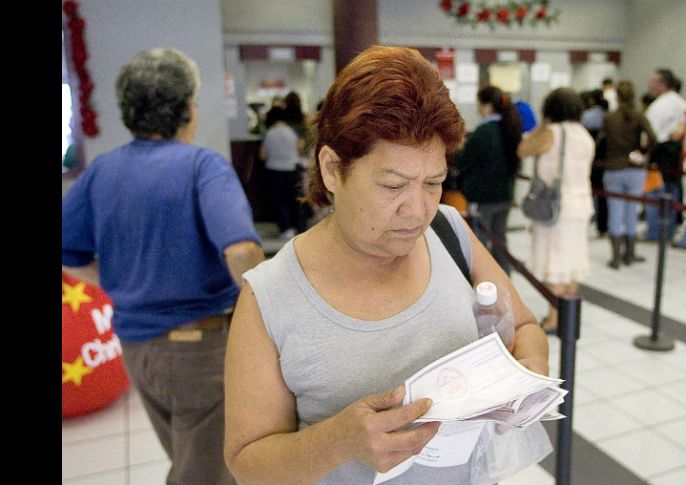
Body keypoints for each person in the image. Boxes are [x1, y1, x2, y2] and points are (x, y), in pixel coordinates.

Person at [224, 45, 551, 484]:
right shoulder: (270, 296)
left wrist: (527, 369)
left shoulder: (449, 231)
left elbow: (526, 327)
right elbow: (247, 463)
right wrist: (336, 441)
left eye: (433, 183)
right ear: (332, 170)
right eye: (392, 185)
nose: (417, 210)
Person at [61, 48, 265, 485]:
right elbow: (242, 250)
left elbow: (68, 252)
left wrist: (116, 284)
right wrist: (268, 308)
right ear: (188, 108)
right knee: (206, 472)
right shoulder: (202, 166)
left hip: (136, 349)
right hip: (199, 348)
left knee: (186, 451)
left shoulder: (101, 171)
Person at [517, 88, 595, 333]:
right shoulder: (584, 135)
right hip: (581, 203)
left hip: (556, 207)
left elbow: (523, 149)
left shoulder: (553, 132)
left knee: (554, 260)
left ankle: (555, 316)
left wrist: (542, 124)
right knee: (573, 258)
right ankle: (570, 311)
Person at [454, 85, 524, 274]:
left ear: (486, 106)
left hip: (483, 197)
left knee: (479, 244)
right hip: (505, 195)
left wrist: (460, 149)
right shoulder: (511, 128)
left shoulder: (484, 132)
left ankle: (483, 282)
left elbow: (462, 162)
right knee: (500, 240)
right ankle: (504, 277)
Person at [599, 80, 658, 268]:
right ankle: (630, 254)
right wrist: (642, 152)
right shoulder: (639, 116)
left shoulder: (609, 117)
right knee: (631, 212)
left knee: (615, 212)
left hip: (614, 167)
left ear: (616, 96)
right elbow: (653, 138)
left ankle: (616, 256)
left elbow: (604, 142)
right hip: (634, 168)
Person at [642, 68, 686, 242]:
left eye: (653, 81)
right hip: (675, 156)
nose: (650, 84)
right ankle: (667, 232)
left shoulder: (659, 106)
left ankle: (655, 233)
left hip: (661, 155)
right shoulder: (684, 104)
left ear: (662, 84)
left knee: (656, 195)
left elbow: (650, 134)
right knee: (672, 194)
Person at [261, 105, 308, 239]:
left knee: (279, 202)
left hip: (274, 171)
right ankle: (302, 228)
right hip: (292, 169)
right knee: (297, 201)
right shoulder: (292, 132)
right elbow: (299, 149)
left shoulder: (269, 133)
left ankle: (286, 230)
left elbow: (263, 155)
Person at [580, 89, 609, 237]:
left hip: (590, 160)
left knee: (589, 191)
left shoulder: (587, 117)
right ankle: (602, 225)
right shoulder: (608, 115)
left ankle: (587, 220)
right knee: (602, 193)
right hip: (605, 160)